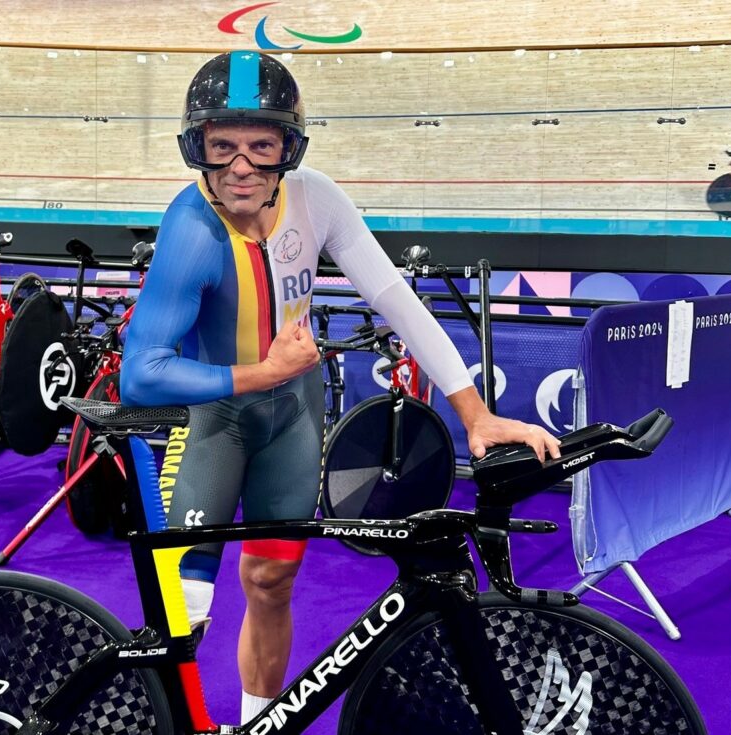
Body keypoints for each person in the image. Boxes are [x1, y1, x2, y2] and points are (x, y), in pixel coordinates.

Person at [119, 50, 561, 724]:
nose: (241, 166)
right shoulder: (191, 229)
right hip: (215, 425)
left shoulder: (315, 199)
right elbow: (140, 374)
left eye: (262, 147)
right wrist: (263, 373)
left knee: (272, 582)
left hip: (292, 420)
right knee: (186, 610)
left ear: (289, 149)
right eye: (223, 146)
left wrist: (474, 413)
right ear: (197, 147)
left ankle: (258, 723)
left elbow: (395, 299)